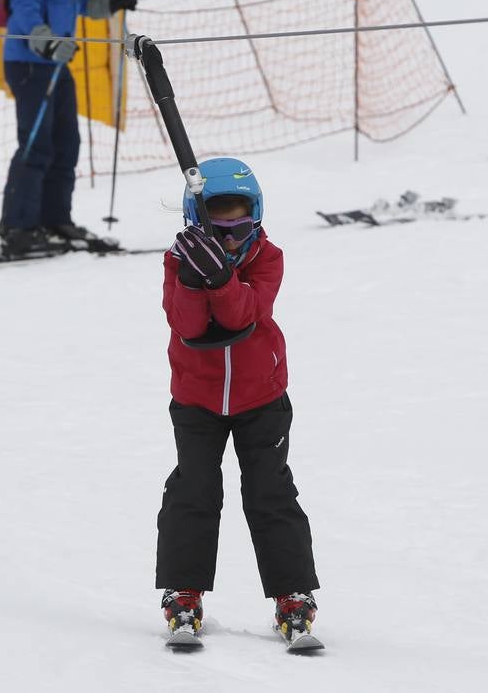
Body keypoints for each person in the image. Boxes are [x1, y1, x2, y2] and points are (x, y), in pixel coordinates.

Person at [156, 158, 321, 645]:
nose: (230, 241)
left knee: (271, 492)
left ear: (257, 218)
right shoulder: (176, 260)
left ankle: (293, 596)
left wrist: (221, 280)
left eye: (239, 227)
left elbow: (243, 315)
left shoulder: (267, 258)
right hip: (196, 401)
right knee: (194, 490)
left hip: (261, 398)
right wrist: (191, 279)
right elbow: (187, 328)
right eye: (218, 229)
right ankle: (183, 590)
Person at [0, 0, 137, 258]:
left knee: (66, 143)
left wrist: (109, 2)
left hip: (55, 63)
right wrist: (46, 42)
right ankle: (18, 229)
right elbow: (24, 6)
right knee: (36, 144)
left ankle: (55, 220)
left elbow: (73, 3)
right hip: (29, 63)